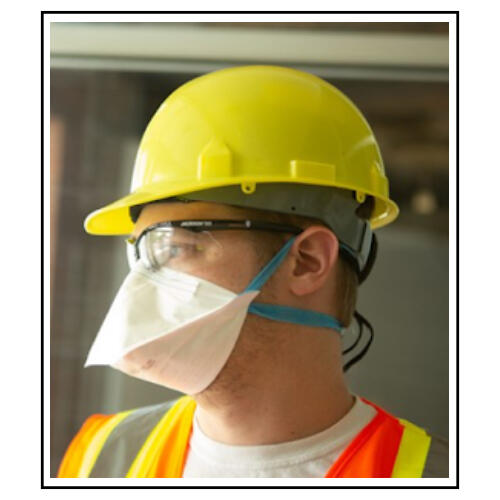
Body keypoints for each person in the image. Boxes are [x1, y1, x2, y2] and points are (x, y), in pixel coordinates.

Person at [57, 65, 448, 478]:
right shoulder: (101, 459)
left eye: (175, 247)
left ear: (307, 261)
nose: (142, 284)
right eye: (141, 253)